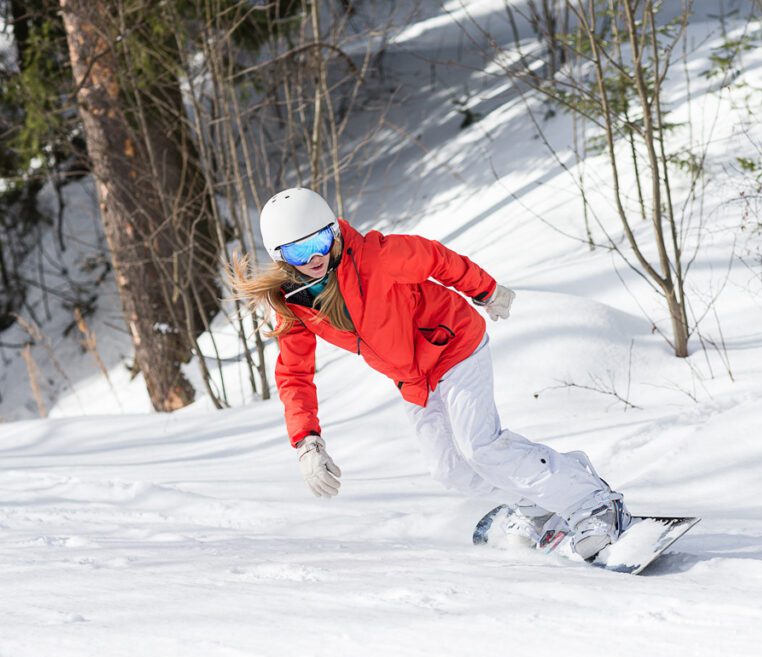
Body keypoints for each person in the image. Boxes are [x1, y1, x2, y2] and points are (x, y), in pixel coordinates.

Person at [230, 187, 630, 559]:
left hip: (454, 345)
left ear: (334, 232)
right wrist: (307, 443)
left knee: (481, 446)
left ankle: (592, 501)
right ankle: (535, 505)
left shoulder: (377, 257)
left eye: (319, 242)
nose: (314, 258)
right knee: (450, 470)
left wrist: (485, 290)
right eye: (299, 252)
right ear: (281, 256)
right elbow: (294, 375)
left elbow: (437, 258)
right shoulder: (294, 303)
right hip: (414, 378)